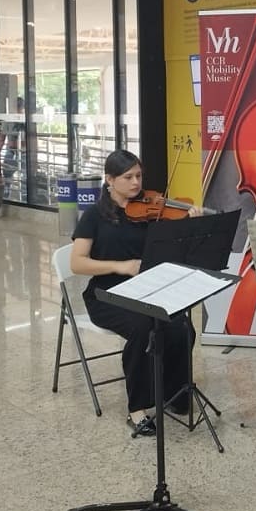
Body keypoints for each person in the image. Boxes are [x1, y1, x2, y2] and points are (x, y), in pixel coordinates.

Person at [69, 150, 199, 436]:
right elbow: (77, 263)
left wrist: (190, 222)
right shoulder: (94, 216)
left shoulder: (149, 212)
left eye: (138, 176)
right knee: (145, 328)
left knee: (182, 327)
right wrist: (121, 266)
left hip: (146, 291)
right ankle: (137, 408)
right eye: (128, 177)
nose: (136, 183)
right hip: (106, 295)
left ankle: (173, 392)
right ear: (109, 180)